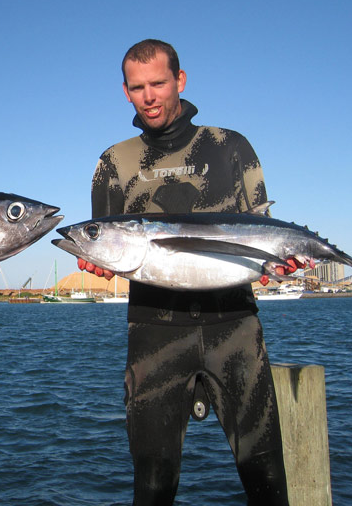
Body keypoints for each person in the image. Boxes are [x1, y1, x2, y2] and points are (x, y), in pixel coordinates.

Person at [82, 39, 291, 505]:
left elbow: (264, 233)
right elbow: (108, 245)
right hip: (154, 332)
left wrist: (282, 263)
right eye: (138, 87)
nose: (150, 96)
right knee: (153, 488)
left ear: (180, 80)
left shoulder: (230, 146)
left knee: (267, 480)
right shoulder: (113, 163)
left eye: (158, 83)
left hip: (234, 326)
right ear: (125, 92)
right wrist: (97, 263)